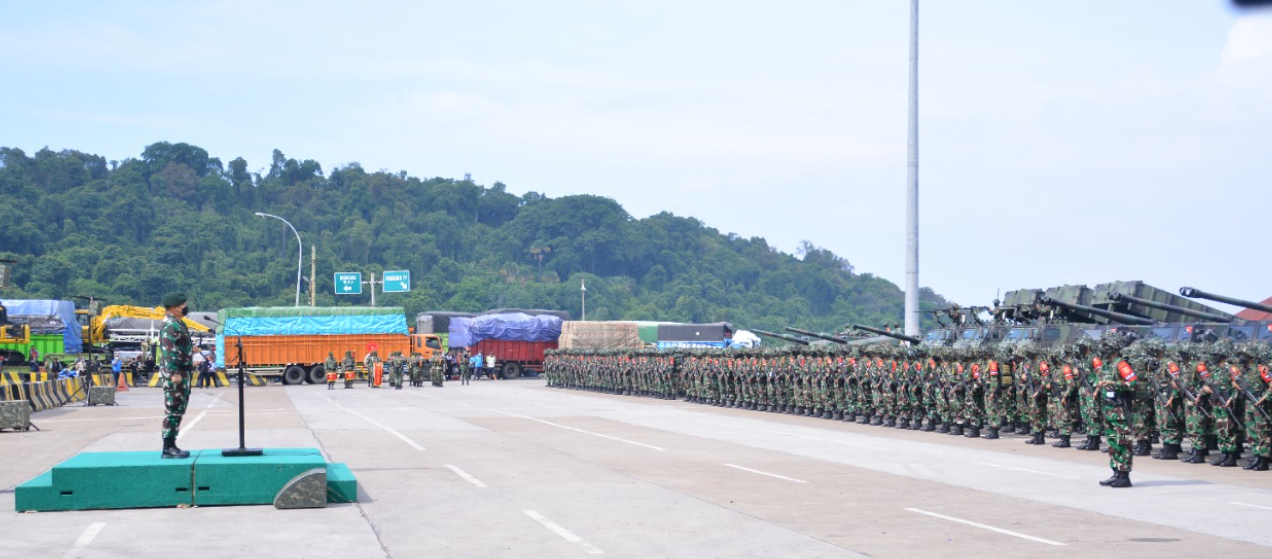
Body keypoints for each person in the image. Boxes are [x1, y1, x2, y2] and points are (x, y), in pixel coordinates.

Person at [159, 292, 193, 459]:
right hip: (176, 373)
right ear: (173, 307)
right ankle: (168, 448)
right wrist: (173, 373)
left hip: (182, 371)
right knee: (173, 408)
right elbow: (168, 351)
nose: (184, 308)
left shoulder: (178, 323)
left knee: (179, 408)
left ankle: (172, 444)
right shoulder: (171, 326)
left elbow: (179, 348)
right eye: (182, 305)